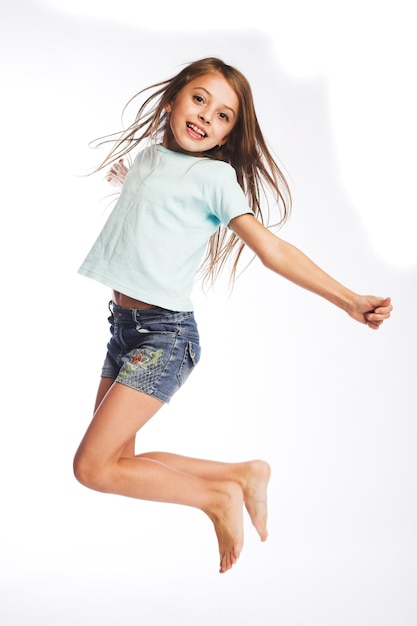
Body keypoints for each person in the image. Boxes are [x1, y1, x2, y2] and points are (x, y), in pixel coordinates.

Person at [73, 57, 392, 574]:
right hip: (123, 331)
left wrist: (349, 299)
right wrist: (126, 178)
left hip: (164, 338)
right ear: (174, 98)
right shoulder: (152, 158)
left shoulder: (215, 178)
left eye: (223, 116)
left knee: (92, 468)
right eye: (200, 100)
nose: (206, 118)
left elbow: (273, 250)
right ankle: (242, 475)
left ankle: (216, 500)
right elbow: (155, 200)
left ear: (228, 136)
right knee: (119, 463)